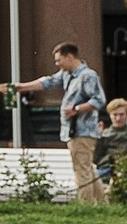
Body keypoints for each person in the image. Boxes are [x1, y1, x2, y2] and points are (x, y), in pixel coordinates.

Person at [35, 40, 109, 199]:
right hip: (73, 131)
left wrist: (76, 109)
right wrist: (22, 86)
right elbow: (48, 82)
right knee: (88, 168)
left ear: (69, 57)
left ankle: (86, 207)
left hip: (82, 130)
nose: (57, 64)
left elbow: (99, 100)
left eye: (58, 60)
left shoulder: (87, 76)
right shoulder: (67, 75)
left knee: (81, 170)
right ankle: (102, 204)